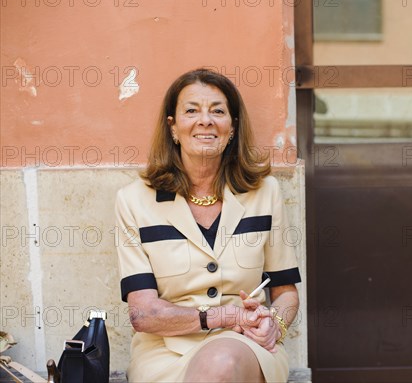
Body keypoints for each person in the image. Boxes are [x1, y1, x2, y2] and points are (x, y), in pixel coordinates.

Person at [114, 68, 301, 382]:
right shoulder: (134, 201)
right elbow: (143, 313)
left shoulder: (265, 193)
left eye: (218, 111)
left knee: (221, 362)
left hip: (243, 345)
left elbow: (286, 293)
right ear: (173, 128)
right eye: (191, 111)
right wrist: (222, 315)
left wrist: (275, 324)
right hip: (164, 352)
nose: (206, 121)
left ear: (232, 127)